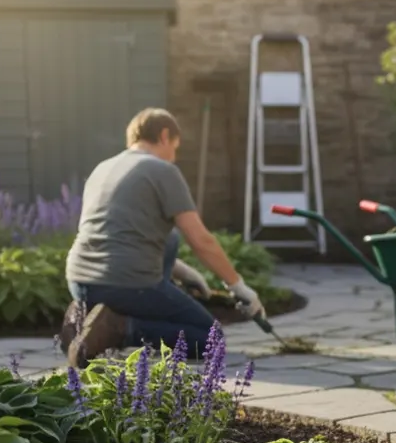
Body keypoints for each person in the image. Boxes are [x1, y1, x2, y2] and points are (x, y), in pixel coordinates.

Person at [61, 107, 262, 367]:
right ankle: (118, 328)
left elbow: (115, 234)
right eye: (175, 148)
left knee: (169, 238)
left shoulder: (104, 168)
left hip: (79, 281)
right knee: (212, 339)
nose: (174, 157)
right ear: (165, 135)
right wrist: (239, 287)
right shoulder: (161, 170)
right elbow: (201, 239)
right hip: (125, 284)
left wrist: (184, 273)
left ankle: (86, 314)